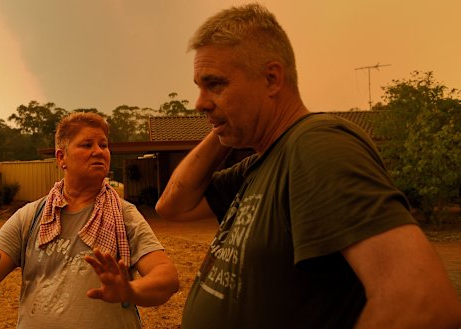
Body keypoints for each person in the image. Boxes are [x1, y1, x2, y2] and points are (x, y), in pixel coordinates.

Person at [155, 3, 461, 328]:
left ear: (272, 79)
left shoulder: (317, 145)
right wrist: (222, 123)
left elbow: (421, 303)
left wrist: (227, 115)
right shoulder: (262, 163)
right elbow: (172, 205)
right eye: (199, 87)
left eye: (215, 84)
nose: (199, 102)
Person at [0, 112, 179, 328]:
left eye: (103, 145)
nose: (98, 152)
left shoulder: (124, 215)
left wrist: (131, 290)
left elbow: (167, 278)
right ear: (61, 157)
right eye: (86, 145)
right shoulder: (30, 217)